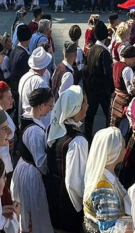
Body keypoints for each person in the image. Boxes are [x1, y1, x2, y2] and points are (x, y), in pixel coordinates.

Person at [45, 86, 89, 233]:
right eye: (84, 103)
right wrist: (83, 206)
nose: (87, 106)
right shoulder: (77, 141)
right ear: (75, 108)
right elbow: (75, 182)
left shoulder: (54, 128)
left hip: (53, 194)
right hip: (68, 203)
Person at [11, 88, 55, 233]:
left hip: (24, 166)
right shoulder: (34, 132)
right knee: (34, 210)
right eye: (50, 105)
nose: (50, 109)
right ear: (41, 106)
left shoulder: (27, 118)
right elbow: (41, 161)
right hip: (31, 173)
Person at [82, 127, 132, 233]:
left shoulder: (106, 173)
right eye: (123, 147)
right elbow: (108, 229)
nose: (125, 150)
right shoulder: (104, 188)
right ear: (113, 152)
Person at [83, 21, 112, 140]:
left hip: (91, 86)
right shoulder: (104, 52)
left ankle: (88, 137)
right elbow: (107, 73)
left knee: (90, 114)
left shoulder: (92, 48)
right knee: (108, 114)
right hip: (103, 89)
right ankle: (107, 138)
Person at [18, 47, 52, 121]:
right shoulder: (41, 82)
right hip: (38, 120)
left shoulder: (24, 77)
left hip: (25, 118)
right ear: (44, 67)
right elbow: (45, 109)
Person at [110, 46, 135, 130]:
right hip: (124, 100)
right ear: (130, 58)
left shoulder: (116, 64)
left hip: (116, 96)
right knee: (122, 125)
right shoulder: (127, 69)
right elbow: (130, 89)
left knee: (114, 122)